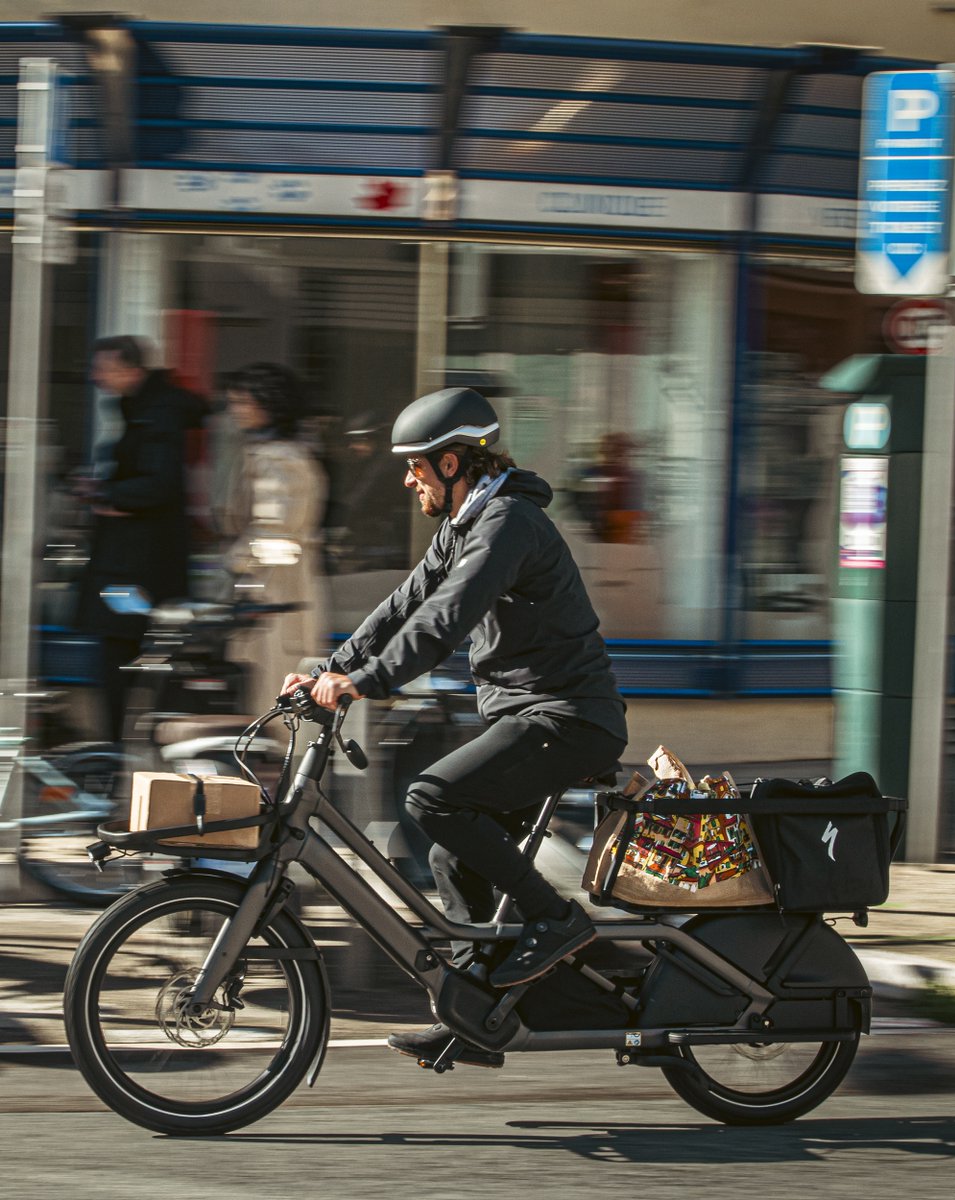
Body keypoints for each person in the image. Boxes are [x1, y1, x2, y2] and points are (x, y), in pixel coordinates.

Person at [283, 387, 627, 1069]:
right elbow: (403, 605)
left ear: (449, 463)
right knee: (451, 853)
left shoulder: (507, 523)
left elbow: (447, 619)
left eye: (414, 467)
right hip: (530, 716)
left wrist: (366, 683)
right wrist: (330, 667)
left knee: (431, 799)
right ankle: (477, 1012)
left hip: (568, 718)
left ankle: (558, 923)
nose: (408, 481)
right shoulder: (465, 524)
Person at [75, 336, 205, 744]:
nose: (97, 377)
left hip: (134, 568)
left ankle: (121, 750)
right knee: (124, 655)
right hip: (136, 565)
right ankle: (124, 747)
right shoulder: (145, 409)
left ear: (129, 369)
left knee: (121, 654)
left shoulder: (157, 412)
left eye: (104, 368)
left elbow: (158, 485)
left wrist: (107, 497)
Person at [215, 363, 328, 714]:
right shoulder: (269, 454)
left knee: (277, 693)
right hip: (268, 592)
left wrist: (236, 564)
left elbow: (276, 531)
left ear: (269, 405)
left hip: (278, 594)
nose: (236, 411)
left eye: (243, 402)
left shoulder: (281, 459)